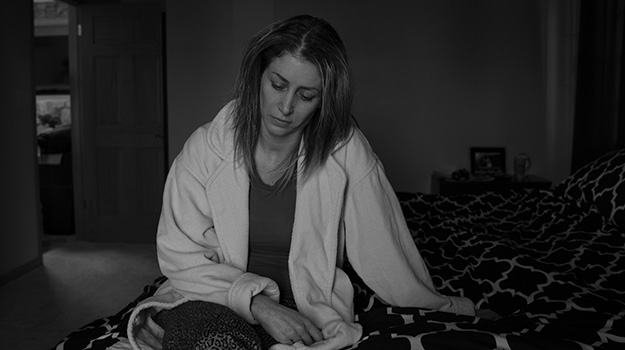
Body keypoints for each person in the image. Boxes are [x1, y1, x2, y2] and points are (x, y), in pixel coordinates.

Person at [126, 14, 475, 350]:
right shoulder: (205, 148)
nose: (285, 107)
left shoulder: (346, 149)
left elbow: (383, 248)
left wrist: (448, 308)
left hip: (303, 301)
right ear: (258, 74)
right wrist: (260, 306)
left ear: (325, 100)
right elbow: (180, 256)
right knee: (215, 343)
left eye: (307, 95)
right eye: (278, 85)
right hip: (212, 294)